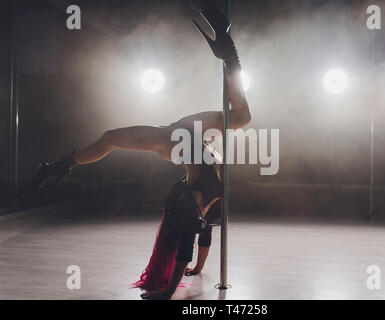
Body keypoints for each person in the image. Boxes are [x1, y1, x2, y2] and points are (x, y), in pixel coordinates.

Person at [32, 2, 251, 300]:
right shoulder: (207, 208)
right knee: (241, 118)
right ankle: (229, 56)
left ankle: (61, 164)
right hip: (188, 135)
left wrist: (180, 284)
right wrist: (189, 276)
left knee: (109, 138)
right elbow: (195, 242)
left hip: (178, 137)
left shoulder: (203, 201)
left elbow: (192, 243)